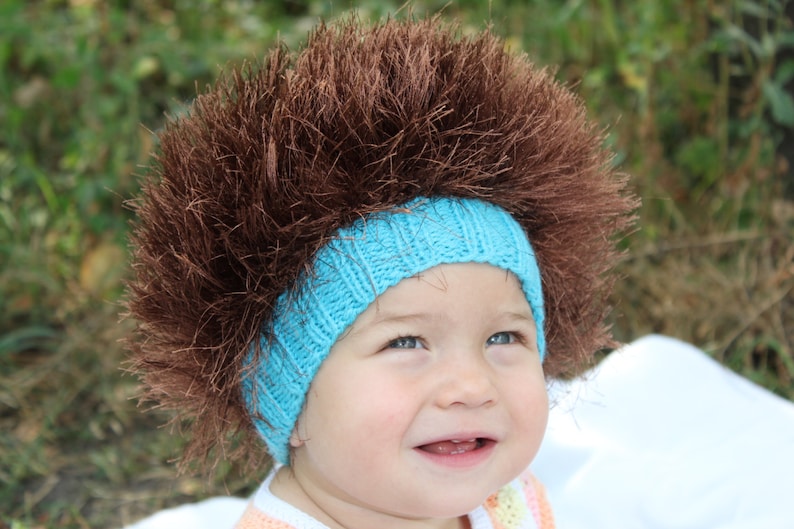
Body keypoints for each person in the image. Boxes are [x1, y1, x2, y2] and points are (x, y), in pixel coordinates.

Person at [126, 15, 636, 529]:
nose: (472, 384)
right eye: (406, 342)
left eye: (504, 336)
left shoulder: (506, 503)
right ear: (287, 401)